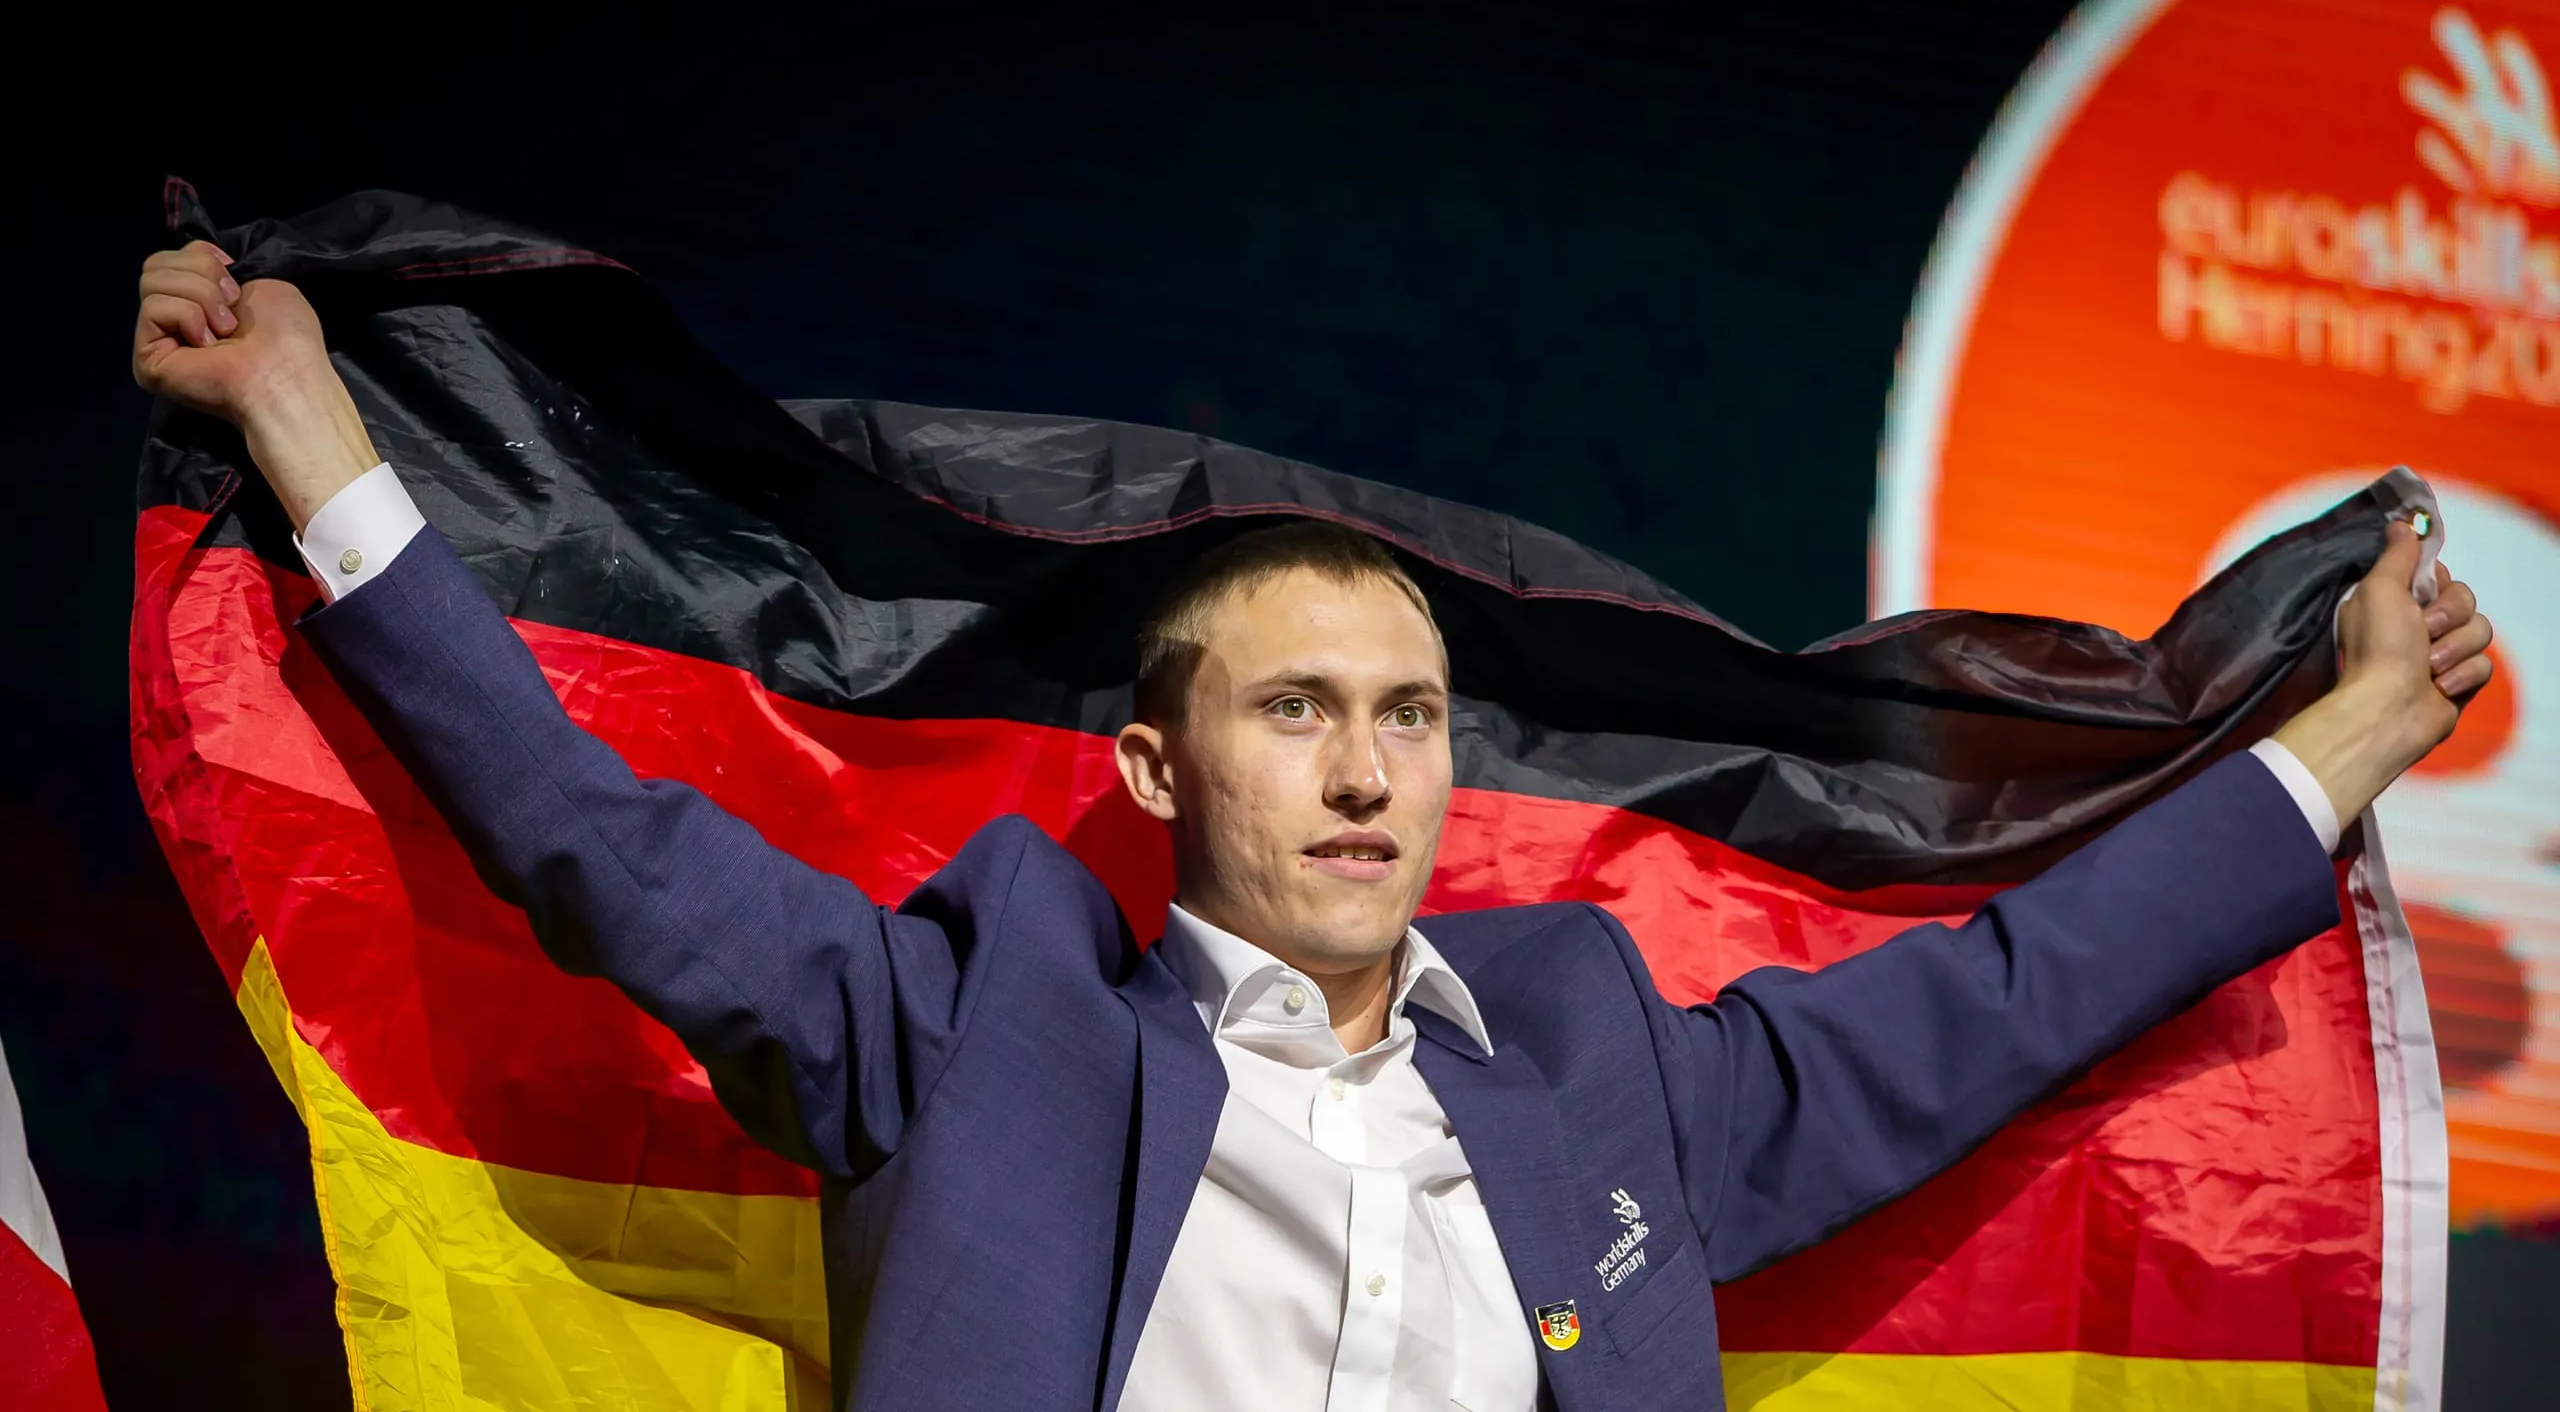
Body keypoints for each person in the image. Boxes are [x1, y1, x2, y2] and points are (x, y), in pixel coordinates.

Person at [132, 240, 2494, 1412]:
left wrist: (2355, 740)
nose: (1367, 770)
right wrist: (315, 442)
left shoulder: (1599, 1069)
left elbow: (2007, 1002)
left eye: (1405, 717)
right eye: (1294, 710)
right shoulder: (978, 1021)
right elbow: (591, 833)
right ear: (1161, 770)